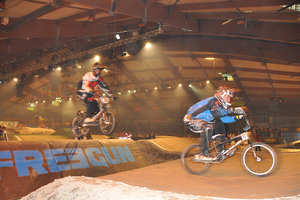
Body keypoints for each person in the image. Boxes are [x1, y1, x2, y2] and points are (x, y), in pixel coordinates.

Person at [183, 85, 246, 161]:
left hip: (202, 121)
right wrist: (234, 110)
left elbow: (224, 119)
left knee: (219, 123)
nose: (229, 100)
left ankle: (221, 150)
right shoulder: (213, 101)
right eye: (228, 97)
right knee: (208, 126)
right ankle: (200, 154)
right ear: (221, 95)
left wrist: (238, 117)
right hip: (190, 120)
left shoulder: (218, 106)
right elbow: (217, 113)